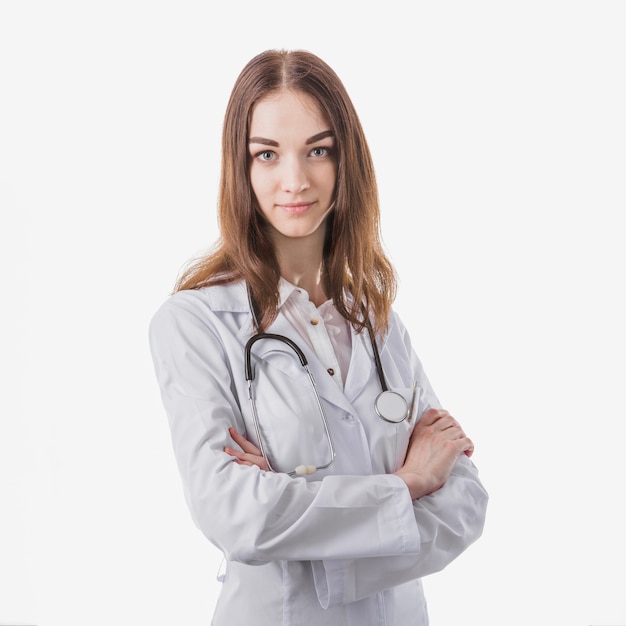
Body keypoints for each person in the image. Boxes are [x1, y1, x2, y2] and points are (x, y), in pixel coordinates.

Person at [149, 49, 488, 626]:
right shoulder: (196, 323)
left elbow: (464, 504)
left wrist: (316, 551)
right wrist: (407, 484)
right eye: (267, 154)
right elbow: (235, 514)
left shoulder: (379, 323)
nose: (296, 180)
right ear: (241, 167)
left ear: (345, 159)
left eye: (319, 150)